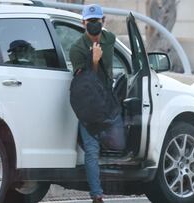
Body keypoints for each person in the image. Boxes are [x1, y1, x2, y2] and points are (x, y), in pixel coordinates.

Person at [69, 4, 126, 203]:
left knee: (121, 143)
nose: (94, 25)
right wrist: (94, 61)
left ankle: (124, 181)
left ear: (104, 21)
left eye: (97, 21)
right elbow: (85, 83)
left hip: (107, 101)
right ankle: (97, 194)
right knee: (92, 149)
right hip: (89, 104)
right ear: (83, 23)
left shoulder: (110, 39)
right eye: (90, 21)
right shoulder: (77, 48)